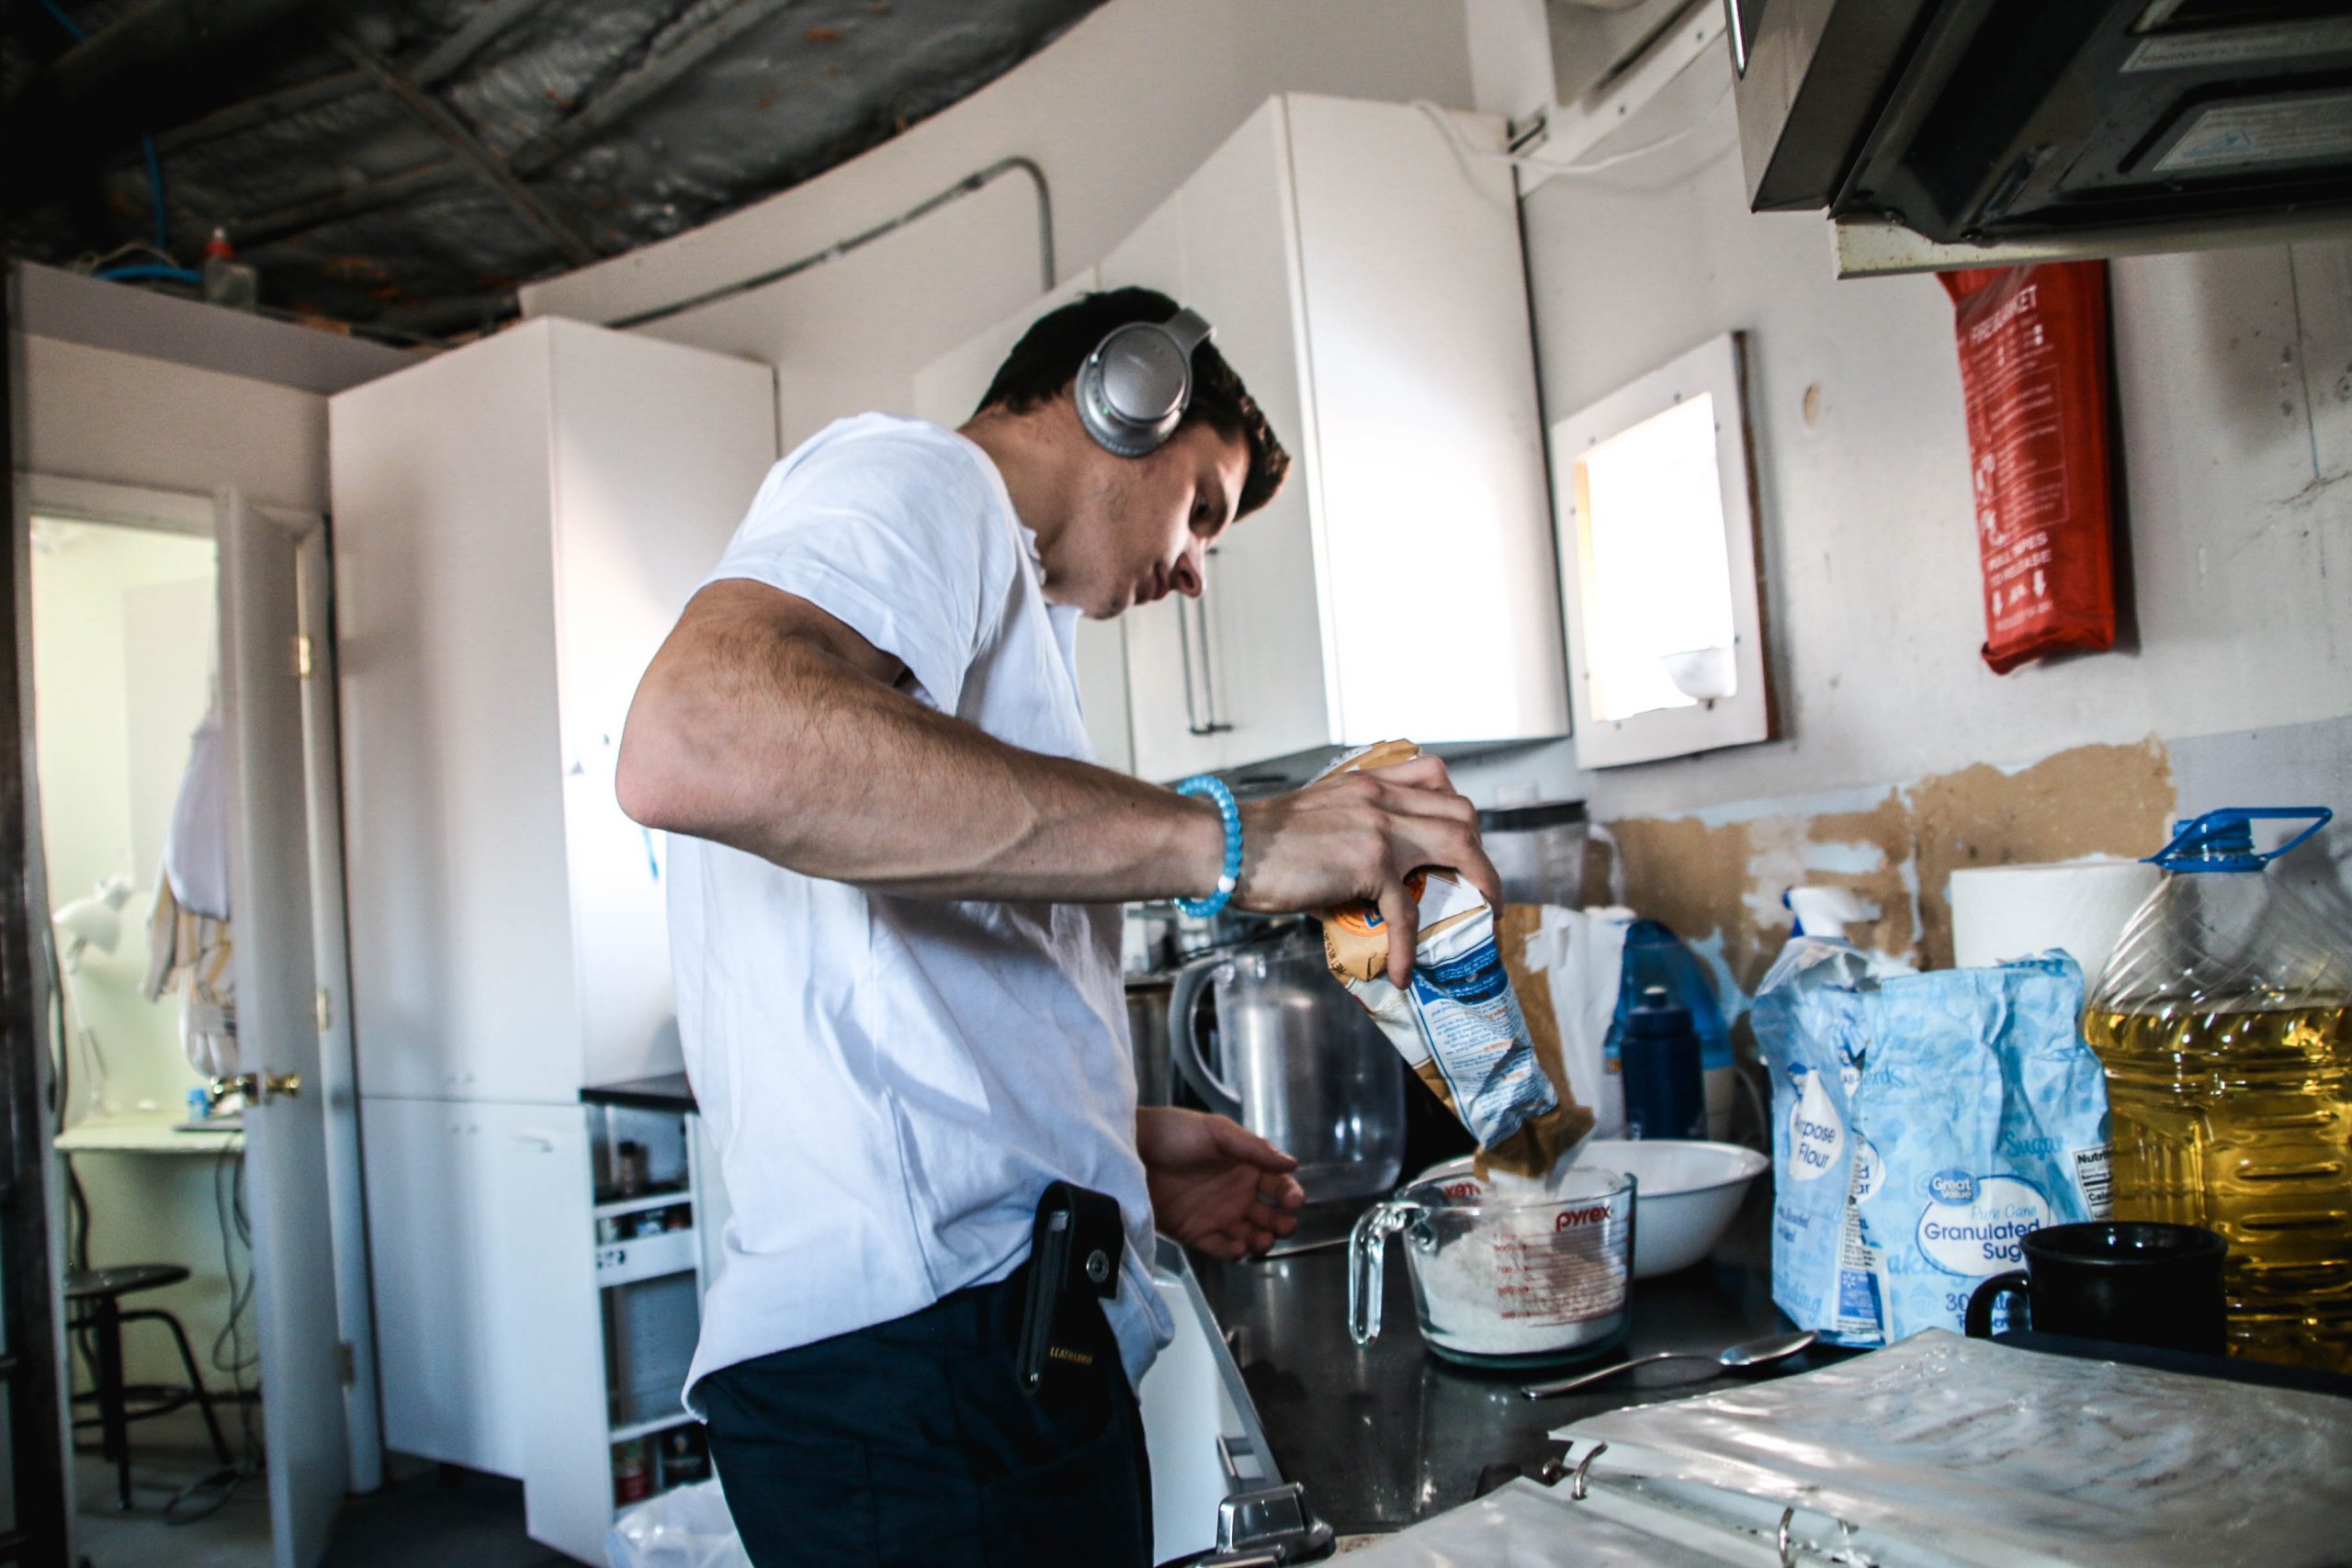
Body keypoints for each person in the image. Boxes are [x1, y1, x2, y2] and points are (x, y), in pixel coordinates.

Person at [616, 287, 1500, 1567]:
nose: (1193, 568)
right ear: (1125, 394)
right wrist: (1233, 840)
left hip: (948, 1356)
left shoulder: (1000, 612)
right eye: (1204, 507)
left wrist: (1108, 1149)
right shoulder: (925, 479)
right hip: (927, 1373)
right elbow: (698, 737)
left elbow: (887, 1014)